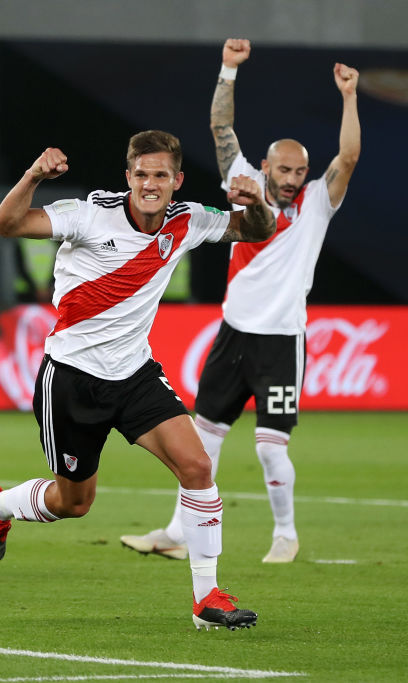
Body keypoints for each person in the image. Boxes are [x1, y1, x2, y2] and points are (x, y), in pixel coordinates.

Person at [0, 131, 276, 630]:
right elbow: (5, 223)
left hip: (135, 374)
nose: (150, 184)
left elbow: (256, 230)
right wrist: (32, 176)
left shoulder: (190, 221)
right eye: (141, 174)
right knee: (74, 503)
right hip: (71, 381)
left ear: (177, 181)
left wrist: (258, 200)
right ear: (128, 177)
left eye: (160, 175)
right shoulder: (88, 215)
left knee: (198, 466)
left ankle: (208, 599)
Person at [120, 41, 361, 565]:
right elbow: (221, 130)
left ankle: (285, 534)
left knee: (271, 446)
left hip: (281, 340)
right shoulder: (243, 183)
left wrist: (349, 96)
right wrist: (228, 69)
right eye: (285, 170)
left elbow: (348, 157)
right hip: (233, 334)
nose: (293, 180)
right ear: (269, 166)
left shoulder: (319, 203)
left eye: (300, 172)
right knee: (202, 441)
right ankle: (179, 533)